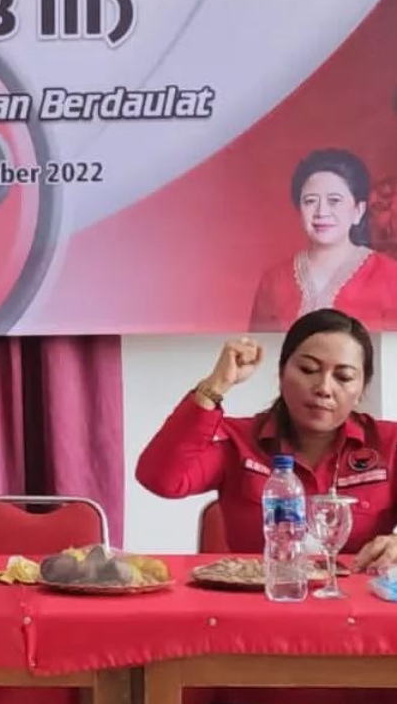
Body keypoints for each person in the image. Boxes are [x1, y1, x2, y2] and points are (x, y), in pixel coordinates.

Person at [137, 308, 397, 571]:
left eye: (343, 377)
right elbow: (161, 479)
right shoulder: (238, 441)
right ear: (282, 373)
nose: (323, 388)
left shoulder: (390, 443)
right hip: (262, 592)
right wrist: (216, 385)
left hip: (359, 594)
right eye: (308, 369)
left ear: (362, 388)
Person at [250, 149, 397, 330]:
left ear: (358, 211)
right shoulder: (274, 281)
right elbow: (259, 346)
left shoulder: (391, 276)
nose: (321, 212)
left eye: (334, 201)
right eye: (310, 201)